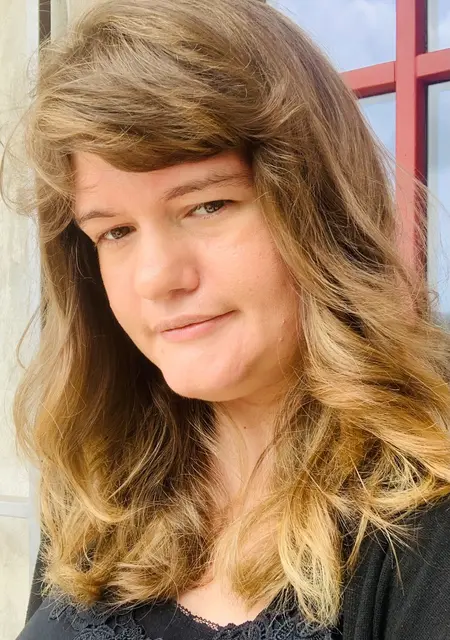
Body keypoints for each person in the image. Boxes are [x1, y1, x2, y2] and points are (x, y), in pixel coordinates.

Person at [7, 0, 450, 638]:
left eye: (208, 206)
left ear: (316, 208)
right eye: (116, 231)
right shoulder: (101, 478)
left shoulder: (422, 517)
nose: (157, 277)